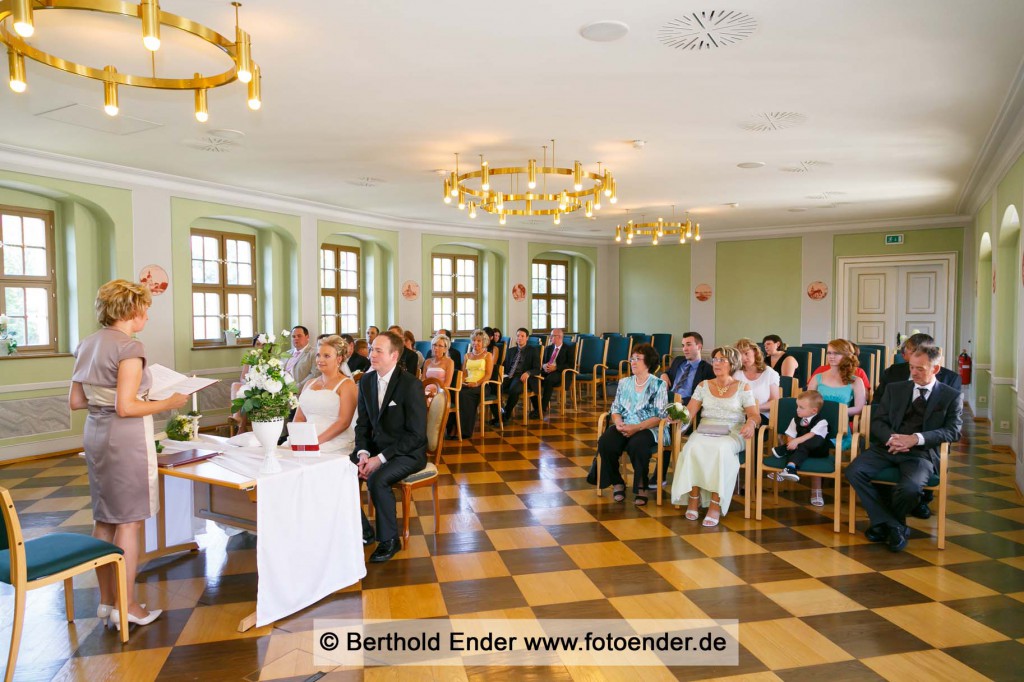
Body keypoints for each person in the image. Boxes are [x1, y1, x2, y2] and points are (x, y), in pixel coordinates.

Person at [68, 279, 189, 628]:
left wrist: (109, 400)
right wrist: (168, 402)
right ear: (133, 309)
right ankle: (129, 606)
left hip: (94, 433)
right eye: (146, 308)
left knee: (104, 519)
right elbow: (126, 407)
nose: (147, 315)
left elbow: (77, 401)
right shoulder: (130, 347)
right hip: (124, 439)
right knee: (130, 522)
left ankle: (107, 602)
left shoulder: (87, 343)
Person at [846, 345, 963, 552]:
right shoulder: (896, 389)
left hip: (922, 454)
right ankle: (894, 525)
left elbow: (953, 431)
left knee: (910, 488)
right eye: (911, 367)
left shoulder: (950, 395)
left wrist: (915, 439)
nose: (914, 373)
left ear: (935, 369)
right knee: (854, 471)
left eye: (920, 369)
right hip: (887, 446)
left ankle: (884, 525)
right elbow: (878, 421)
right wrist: (892, 439)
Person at [353, 331, 428, 563]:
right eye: (372, 349)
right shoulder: (366, 380)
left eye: (378, 350)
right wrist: (364, 453)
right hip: (376, 449)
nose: (371, 354)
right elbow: (362, 424)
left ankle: (389, 540)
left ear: (394, 356)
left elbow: (416, 435)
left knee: (377, 479)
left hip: (408, 452)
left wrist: (380, 459)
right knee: (341, 470)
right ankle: (363, 531)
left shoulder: (411, 385)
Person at [873, 333, 962, 519]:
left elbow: (952, 426)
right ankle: (891, 512)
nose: (913, 368)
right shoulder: (893, 373)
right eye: (910, 353)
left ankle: (920, 500)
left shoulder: (950, 380)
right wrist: (893, 438)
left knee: (913, 482)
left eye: (917, 353)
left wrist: (916, 439)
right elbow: (878, 405)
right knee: (859, 470)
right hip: (893, 437)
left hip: (926, 445)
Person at [670, 346, 759, 527]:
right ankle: (693, 498)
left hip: (733, 432)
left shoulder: (743, 387)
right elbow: (690, 413)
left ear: (732, 363)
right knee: (691, 447)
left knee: (720, 449)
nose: (716, 363)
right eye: (715, 359)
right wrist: (677, 415)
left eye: (722, 360)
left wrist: (750, 423)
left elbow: (754, 414)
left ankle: (715, 504)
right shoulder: (703, 385)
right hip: (705, 429)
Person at [589, 344, 668, 507]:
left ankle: (641, 486)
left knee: (637, 445)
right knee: (606, 442)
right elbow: (615, 409)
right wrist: (618, 423)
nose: (633, 362)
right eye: (632, 358)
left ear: (649, 362)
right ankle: (617, 482)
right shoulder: (624, 383)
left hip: (648, 427)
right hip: (624, 425)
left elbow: (659, 416)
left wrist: (637, 427)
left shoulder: (658, 385)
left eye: (637, 358)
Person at [807, 339, 866, 507]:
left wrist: (837, 412)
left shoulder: (856, 381)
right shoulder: (818, 378)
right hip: (817, 424)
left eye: (836, 353)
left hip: (840, 427)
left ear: (847, 355)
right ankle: (816, 488)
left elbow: (860, 408)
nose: (831, 357)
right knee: (814, 437)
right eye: (829, 353)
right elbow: (807, 402)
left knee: (817, 439)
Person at [652, 331, 715, 489]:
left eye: (688, 344)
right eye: (683, 345)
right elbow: (667, 373)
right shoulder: (678, 361)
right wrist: (664, 376)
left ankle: (659, 474)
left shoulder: (707, 369)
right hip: (667, 400)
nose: (684, 349)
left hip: (687, 406)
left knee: (668, 428)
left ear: (699, 346)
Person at [292, 336, 358, 453]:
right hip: (306, 438)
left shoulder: (346, 385)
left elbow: (344, 422)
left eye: (326, 356)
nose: (320, 360)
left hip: (332, 441)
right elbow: (299, 418)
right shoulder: (309, 383)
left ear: (338, 359)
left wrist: (315, 442)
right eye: (318, 355)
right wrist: (297, 439)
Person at [874, 333, 961, 405]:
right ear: (904, 355)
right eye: (913, 354)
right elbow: (878, 403)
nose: (917, 358)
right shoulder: (892, 373)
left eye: (921, 355)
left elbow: (952, 418)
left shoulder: (951, 380)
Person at [774, 390, 830, 482]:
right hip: (802, 450)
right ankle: (790, 467)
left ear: (814, 410)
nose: (797, 409)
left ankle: (784, 450)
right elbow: (790, 434)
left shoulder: (822, 422)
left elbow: (811, 435)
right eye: (797, 406)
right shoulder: (796, 419)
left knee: (813, 439)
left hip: (818, 451)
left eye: (801, 407)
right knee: (798, 447)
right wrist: (791, 443)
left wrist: (796, 441)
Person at [490, 327, 540, 425]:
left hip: (522, 377)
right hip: (509, 375)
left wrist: (528, 373)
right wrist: (500, 373)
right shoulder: (511, 351)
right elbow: (504, 365)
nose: (519, 338)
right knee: (493, 387)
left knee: (514, 389)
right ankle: (498, 415)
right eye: (518, 336)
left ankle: (506, 415)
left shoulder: (532, 350)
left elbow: (537, 368)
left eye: (522, 336)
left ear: (527, 338)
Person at [734, 338, 781, 425]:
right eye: (740, 355)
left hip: (762, 416)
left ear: (755, 352)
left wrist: (754, 408)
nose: (744, 358)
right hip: (739, 415)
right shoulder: (737, 374)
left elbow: (774, 402)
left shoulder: (770, 374)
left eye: (746, 353)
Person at [457, 329, 495, 438]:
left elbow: (488, 375)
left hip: (482, 385)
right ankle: (455, 429)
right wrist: (463, 382)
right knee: (456, 393)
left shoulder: (487, 355)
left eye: (478, 341)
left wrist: (476, 383)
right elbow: (464, 373)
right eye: (474, 340)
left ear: (484, 342)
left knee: (464, 395)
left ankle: (466, 431)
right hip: (468, 384)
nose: (475, 343)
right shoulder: (467, 355)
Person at [533, 328, 572, 418]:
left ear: (559, 337)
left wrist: (556, 367)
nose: (550, 338)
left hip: (560, 373)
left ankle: (542, 408)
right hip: (547, 371)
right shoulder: (548, 348)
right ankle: (536, 406)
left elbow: (570, 365)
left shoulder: (568, 349)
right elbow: (542, 361)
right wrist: (543, 366)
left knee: (549, 380)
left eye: (552, 336)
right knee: (533, 378)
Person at [229, 335, 264, 433]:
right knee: (236, 385)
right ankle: (237, 418)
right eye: (258, 344)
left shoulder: (271, 360)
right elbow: (242, 377)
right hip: (250, 385)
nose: (260, 347)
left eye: (263, 345)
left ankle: (242, 428)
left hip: (263, 387)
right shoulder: (250, 358)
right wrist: (249, 383)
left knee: (246, 395)